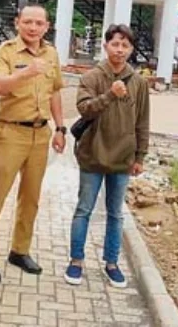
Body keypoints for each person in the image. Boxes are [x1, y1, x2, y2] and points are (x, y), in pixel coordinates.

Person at [0, 5, 67, 284]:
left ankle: (20, 250)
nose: (33, 27)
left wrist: (60, 127)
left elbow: (55, 92)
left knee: (31, 198)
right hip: (10, 133)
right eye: (27, 22)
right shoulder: (6, 51)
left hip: (40, 134)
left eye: (39, 23)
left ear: (46, 26)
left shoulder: (51, 53)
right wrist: (24, 73)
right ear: (17, 23)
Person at [64, 24, 150, 289]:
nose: (120, 50)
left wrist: (140, 156)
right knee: (84, 210)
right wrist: (110, 95)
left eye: (125, 45)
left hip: (123, 159)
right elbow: (84, 109)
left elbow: (142, 121)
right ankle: (76, 260)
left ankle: (112, 263)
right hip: (93, 154)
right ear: (106, 46)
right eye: (115, 44)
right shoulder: (92, 77)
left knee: (116, 214)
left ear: (131, 49)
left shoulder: (138, 83)